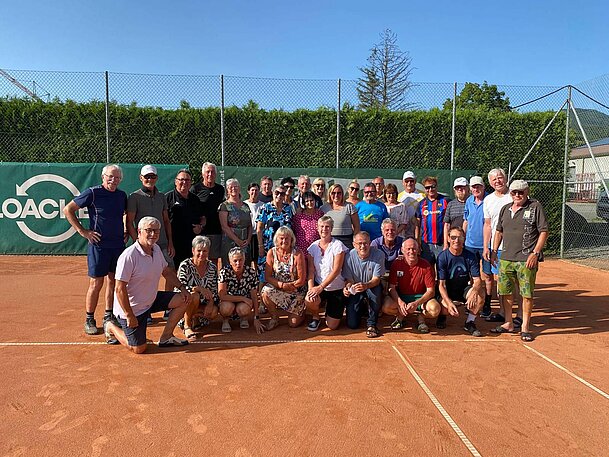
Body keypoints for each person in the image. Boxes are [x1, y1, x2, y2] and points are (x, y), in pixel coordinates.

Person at [103, 217, 191, 353]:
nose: (153, 234)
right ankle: (111, 326)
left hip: (150, 300)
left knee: (184, 299)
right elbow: (119, 289)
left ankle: (166, 337)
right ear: (139, 232)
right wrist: (129, 315)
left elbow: (167, 272)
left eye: (156, 231)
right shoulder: (129, 256)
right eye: (149, 230)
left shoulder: (156, 249)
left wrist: (182, 288)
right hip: (132, 309)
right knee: (138, 348)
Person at [63, 164, 127, 335]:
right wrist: (83, 231)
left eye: (117, 178)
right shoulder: (92, 193)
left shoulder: (121, 195)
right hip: (99, 246)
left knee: (114, 281)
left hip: (118, 246)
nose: (113, 180)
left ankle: (109, 316)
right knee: (96, 283)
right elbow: (68, 209)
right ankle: (89, 318)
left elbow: (125, 214)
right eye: (110, 177)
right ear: (103, 177)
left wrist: (126, 229)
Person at [490, 180, 548, 341]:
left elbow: (544, 231)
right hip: (506, 259)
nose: (517, 195)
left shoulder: (535, 207)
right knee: (506, 292)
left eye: (520, 192)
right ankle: (508, 323)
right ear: (510, 193)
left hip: (526, 259)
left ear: (527, 192)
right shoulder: (505, 209)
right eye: (514, 192)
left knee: (526, 293)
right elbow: (498, 231)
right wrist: (494, 251)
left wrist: (535, 253)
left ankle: (525, 327)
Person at [382, 237, 440, 334]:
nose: (411, 252)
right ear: (402, 250)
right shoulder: (397, 264)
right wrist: (400, 302)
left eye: (414, 249)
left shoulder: (426, 265)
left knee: (435, 309)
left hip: (421, 299)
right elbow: (391, 288)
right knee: (386, 306)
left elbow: (431, 291)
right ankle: (400, 316)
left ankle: (421, 317)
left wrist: (416, 303)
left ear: (418, 250)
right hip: (402, 297)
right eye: (408, 249)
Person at [436, 227, 485, 337]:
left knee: (480, 294)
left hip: (463, 289)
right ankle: (442, 315)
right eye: (453, 237)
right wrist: (449, 303)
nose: (456, 241)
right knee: (444, 308)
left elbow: (477, 280)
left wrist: (474, 293)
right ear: (448, 239)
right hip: (447, 290)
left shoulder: (470, 256)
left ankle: (469, 322)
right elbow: (441, 285)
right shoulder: (442, 257)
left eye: (460, 237)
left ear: (464, 239)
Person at [482, 168, 515, 325]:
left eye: (500, 178)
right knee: (501, 281)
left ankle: (518, 315)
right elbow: (488, 225)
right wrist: (486, 247)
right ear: (490, 183)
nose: (498, 181)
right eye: (494, 179)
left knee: (516, 282)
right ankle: (503, 312)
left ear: (505, 178)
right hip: (497, 247)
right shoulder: (488, 200)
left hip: (515, 247)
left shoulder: (514, 196)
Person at [126, 165, 174, 271]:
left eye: (153, 177)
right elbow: (129, 222)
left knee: (170, 271)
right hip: (143, 244)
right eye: (147, 177)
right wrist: (138, 242)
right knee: (143, 273)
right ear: (141, 178)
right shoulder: (134, 197)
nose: (150, 180)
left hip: (162, 243)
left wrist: (170, 242)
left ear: (156, 178)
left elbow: (166, 221)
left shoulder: (161, 197)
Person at [305, 216, 349, 331]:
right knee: (309, 299)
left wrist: (320, 287)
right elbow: (311, 271)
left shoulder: (338, 245)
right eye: (322, 226)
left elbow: (336, 271)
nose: (324, 229)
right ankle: (315, 317)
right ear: (317, 228)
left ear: (331, 228)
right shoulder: (312, 247)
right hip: (319, 286)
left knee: (332, 326)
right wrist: (311, 289)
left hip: (336, 288)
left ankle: (329, 311)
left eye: (327, 227)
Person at [261, 227, 308, 329]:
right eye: (281, 238)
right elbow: (267, 277)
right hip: (279, 287)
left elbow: (302, 279)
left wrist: (290, 286)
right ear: (276, 239)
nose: (284, 241)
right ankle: (274, 318)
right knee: (265, 291)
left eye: (287, 238)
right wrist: (281, 285)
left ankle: (303, 311)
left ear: (292, 239)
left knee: (293, 323)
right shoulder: (271, 253)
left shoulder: (298, 253)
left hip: (296, 290)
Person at [342, 231, 385, 338]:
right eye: (359, 243)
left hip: (371, 286)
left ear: (370, 243)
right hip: (356, 287)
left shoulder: (379, 254)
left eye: (365, 243)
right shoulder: (348, 256)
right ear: (354, 244)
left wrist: (365, 286)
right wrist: (347, 288)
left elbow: (376, 279)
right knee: (352, 325)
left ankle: (372, 324)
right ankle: (363, 308)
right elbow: (349, 280)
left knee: (376, 293)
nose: (363, 246)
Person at [177, 236, 219, 339]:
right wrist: (199, 288)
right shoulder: (185, 266)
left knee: (214, 311)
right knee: (194, 296)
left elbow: (214, 290)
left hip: (203, 304)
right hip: (185, 303)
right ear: (193, 250)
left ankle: (195, 317)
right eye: (199, 250)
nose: (201, 254)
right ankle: (187, 326)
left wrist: (211, 302)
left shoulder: (212, 267)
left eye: (205, 251)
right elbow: (180, 288)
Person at [463, 176, 493, 318]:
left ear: (483, 187)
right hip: (470, 245)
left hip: (486, 245)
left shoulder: (490, 200)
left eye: (478, 186)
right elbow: (466, 221)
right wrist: (462, 238)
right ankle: (471, 301)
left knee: (487, 275)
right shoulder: (469, 201)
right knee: (472, 275)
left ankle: (487, 304)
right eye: (473, 187)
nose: (476, 189)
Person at [218, 247, 263, 333]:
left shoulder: (251, 272)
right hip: (229, 301)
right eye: (235, 261)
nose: (238, 263)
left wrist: (256, 317)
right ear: (230, 262)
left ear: (244, 260)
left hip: (243, 304)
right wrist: (243, 298)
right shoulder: (224, 272)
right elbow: (222, 296)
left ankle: (244, 318)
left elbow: (254, 296)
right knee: (226, 308)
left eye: (240, 260)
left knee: (244, 308)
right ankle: (225, 320)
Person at [166, 169, 204, 269]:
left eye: (187, 180)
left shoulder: (195, 199)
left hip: (191, 243)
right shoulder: (167, 198)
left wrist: (200, 226)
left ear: (191, 182)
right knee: (173, 272)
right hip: (174, 243)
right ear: (176, 181)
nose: (184, 182)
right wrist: (169, 242)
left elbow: (202, 218)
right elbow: (164, 221)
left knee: (190, 270)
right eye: (181, 179)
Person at [256, 185, 295, 280]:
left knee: (282, 274)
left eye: (282, 194)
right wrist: (260, 246)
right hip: (268, 247)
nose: (279, 196)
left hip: (285, 248)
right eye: (277, 193)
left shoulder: (288, 209)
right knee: (264, 275)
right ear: (273, 193)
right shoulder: (265, 208)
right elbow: (259, 229)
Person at [191, 162, 225, 262]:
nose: (210, 174)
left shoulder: (220, 189)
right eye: (208, 172)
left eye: (212, 172)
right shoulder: (195, 189)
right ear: (203, 174)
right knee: (199, 258)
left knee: (213, 260)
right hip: (200, 231)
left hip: (215, 230)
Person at [416, 176, 449, 265]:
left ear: (436, 187)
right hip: (426, 244)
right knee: (427, 269)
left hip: (442, 243)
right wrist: (418, 242)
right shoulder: (421, 204)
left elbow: (449, 222)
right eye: (427, 187)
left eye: (432, 186)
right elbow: (417, 225)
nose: (430, 189)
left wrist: (446, 243)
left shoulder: (445, 201)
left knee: (442, 268)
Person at [219, 178, 252, 265]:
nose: (233, 189)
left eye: (236, 186)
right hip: (230, 242)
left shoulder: (245, 206)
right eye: (231, 187)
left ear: (239, 188)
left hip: (245, 242)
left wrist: (248, 240)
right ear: (227, 189)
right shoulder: (224, 206)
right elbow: (224, 226)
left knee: (245, 265)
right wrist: (237, 241)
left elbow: (250, 224)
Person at [321, 183, 360, 250]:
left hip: (347, 241)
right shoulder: (323, 208)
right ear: (329, 194)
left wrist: (355, 240)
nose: (336, 195)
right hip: (329, 241)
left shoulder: (349, 206)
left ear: (342, 194)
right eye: (333, 193)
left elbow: (357, 226)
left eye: (339, 193)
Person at [443, 177, 469, 249]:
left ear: (468, 188)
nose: (459, 189)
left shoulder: (473, 203)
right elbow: (447, 225)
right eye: (457, 188)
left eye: (462, 187)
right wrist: (445, 243)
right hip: (454, 243)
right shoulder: (451, 204)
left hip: (469, 244)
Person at [244, 182, 264, 267]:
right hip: (246, 236)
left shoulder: (263, 205)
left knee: (257, 259)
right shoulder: (244, 205)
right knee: (246, 258)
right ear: (248, 191)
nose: (254, 192)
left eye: (256, 190)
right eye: (252, 190)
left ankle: (256, 274)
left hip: (258, 236)